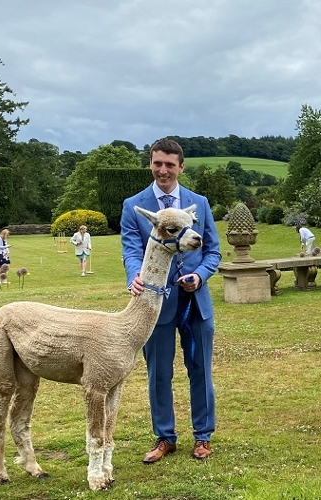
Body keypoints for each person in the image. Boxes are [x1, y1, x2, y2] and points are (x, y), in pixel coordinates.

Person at [121, 138, 222, 464]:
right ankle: (165, 437)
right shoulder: (134, 206)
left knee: (200, 370)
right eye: (157, 163)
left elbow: (213, 251)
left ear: (181, 166)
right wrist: (135, 275)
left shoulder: (199, 203)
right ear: (150, 164)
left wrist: (201, 276)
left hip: (196, 303)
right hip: (154, 306)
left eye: (169, 164)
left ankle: (203, 437)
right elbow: (132, 249)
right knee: (159, 373)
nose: (163, 170)